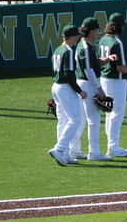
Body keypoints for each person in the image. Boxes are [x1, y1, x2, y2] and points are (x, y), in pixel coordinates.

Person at [99, 12, 127, 157]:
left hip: (105, 78)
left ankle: (112, 145)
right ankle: (113, 147)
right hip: (116, 80)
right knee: (116, 114)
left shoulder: (103, 39)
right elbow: (121, 68)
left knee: (109, 113)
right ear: (121, 26)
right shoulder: (117, 43)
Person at [73, 17, 118, 161]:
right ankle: (94, 152)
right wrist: (99, 88)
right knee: (94, 120)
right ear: (91, 30)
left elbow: (95, 63)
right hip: (87, 84)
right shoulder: (86, 47)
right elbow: (88, 70)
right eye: (96, 29)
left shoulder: (84, 45)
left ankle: (74, 149)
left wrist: (108, 58)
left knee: (81, 120)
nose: (98, 32)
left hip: (82, 83)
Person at [48, 24, 88, 166]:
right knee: (75, 120)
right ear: (71, 37)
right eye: (76, 36)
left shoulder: (58, 49)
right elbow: (68, 74)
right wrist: (79, 90)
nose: (77, 39)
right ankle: (59, 149)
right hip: (65, 87)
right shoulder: (69, 51)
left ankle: (64, 155)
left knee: (63, 120)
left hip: (56, 86)